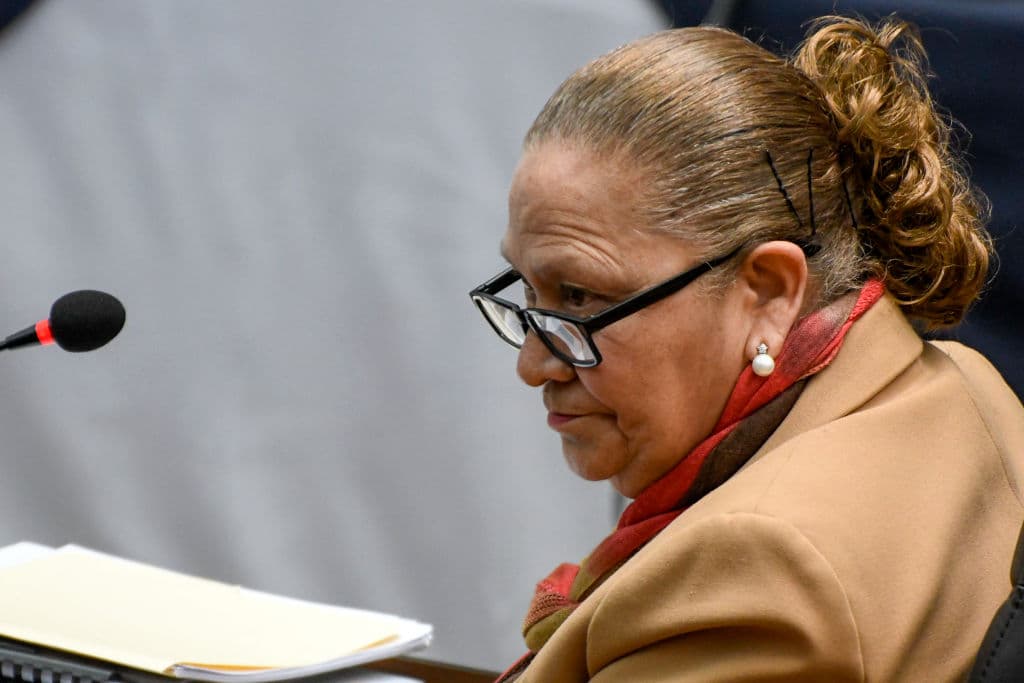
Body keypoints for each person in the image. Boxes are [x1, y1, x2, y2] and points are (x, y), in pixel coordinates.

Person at [468, 15, 1024, 682]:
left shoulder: (757, 568)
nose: (534, 364)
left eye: (582, 298)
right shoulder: (966, 384)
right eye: (527, 294)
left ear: (768, 290)